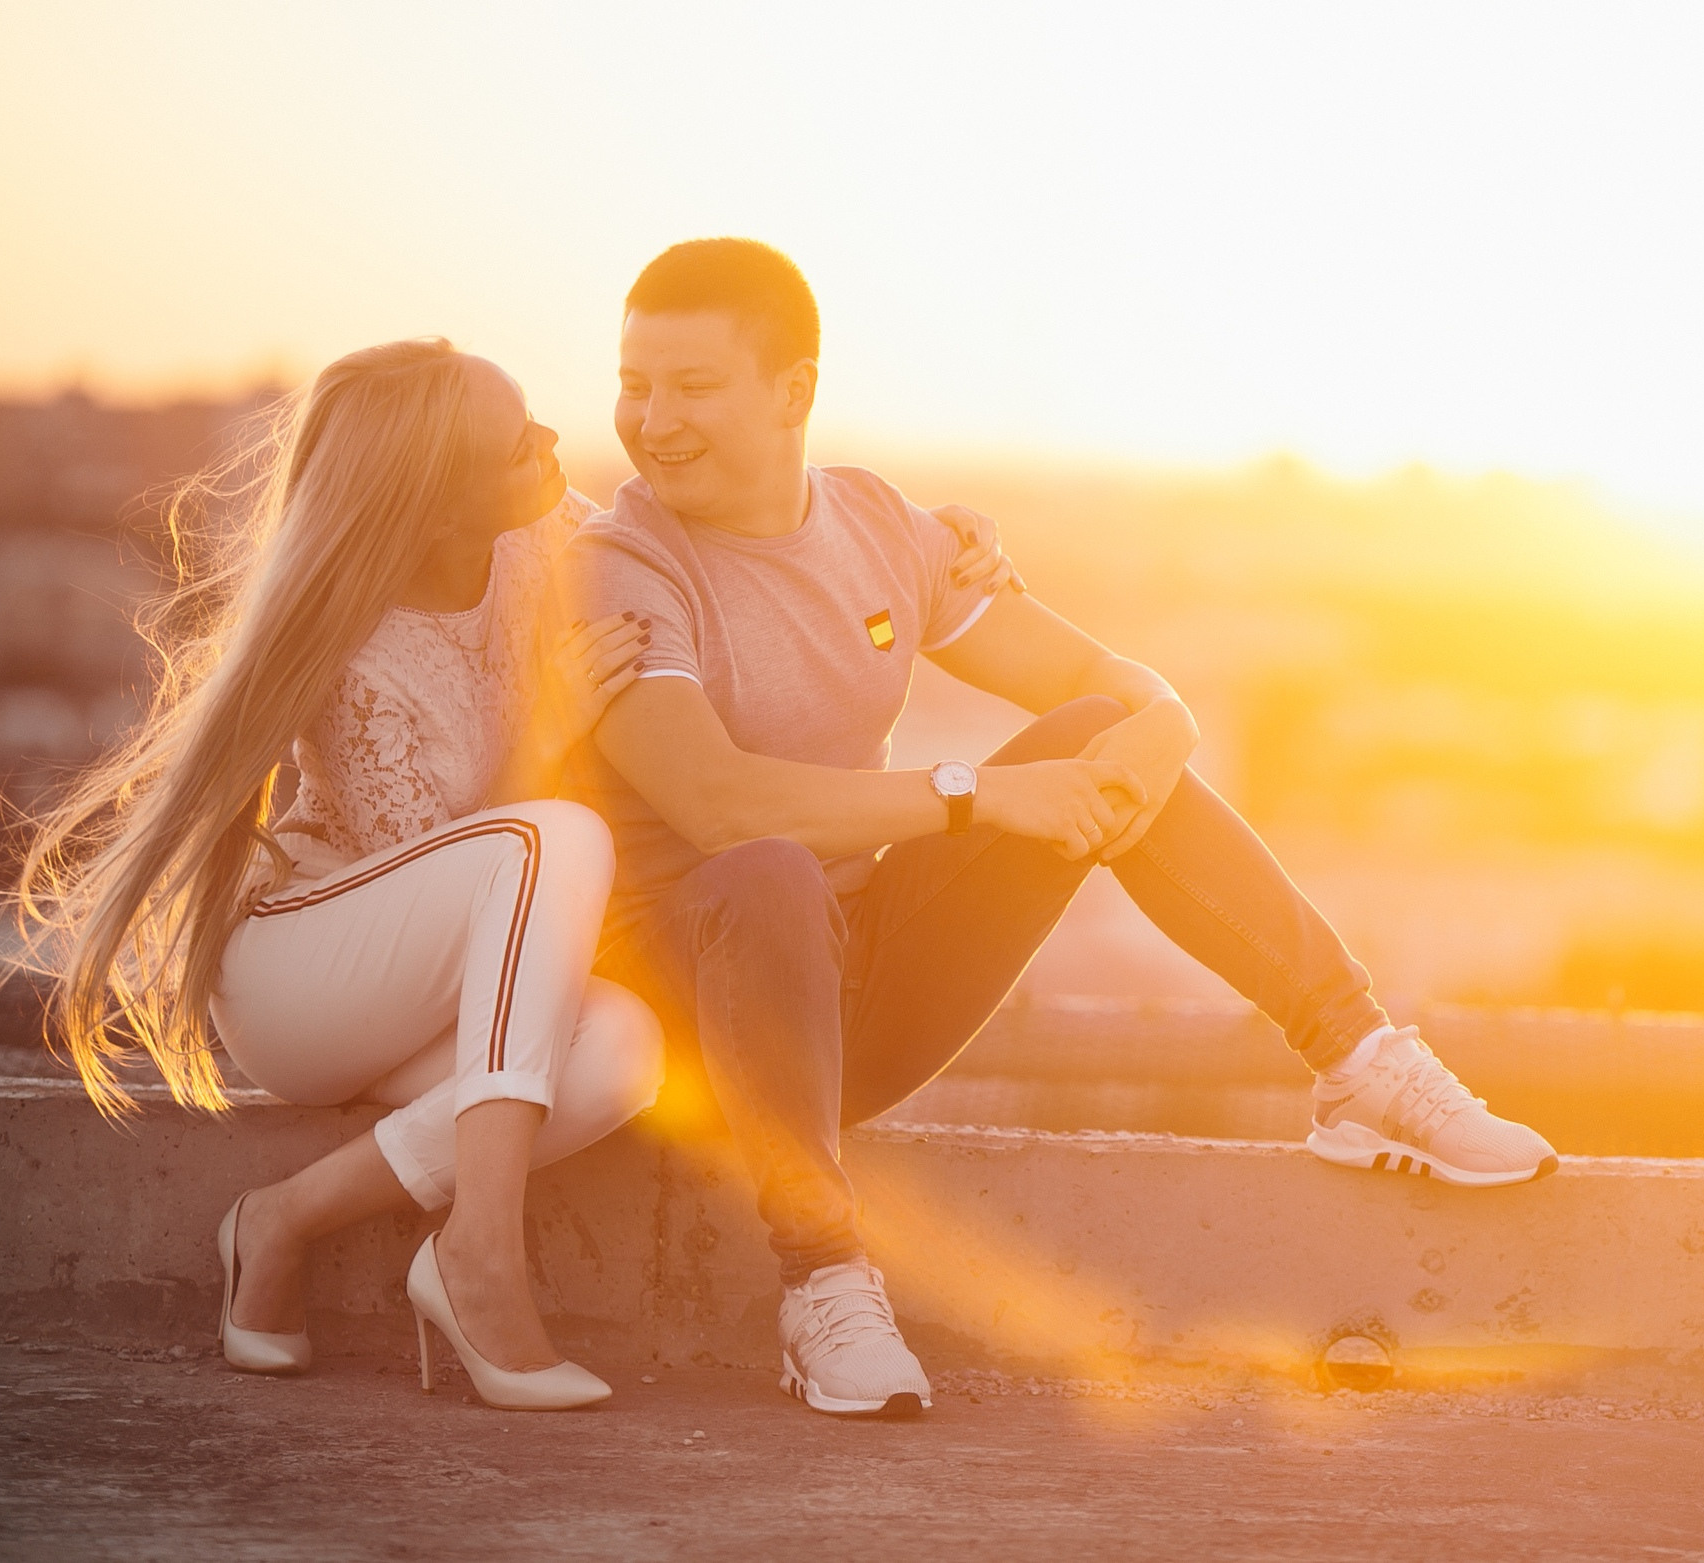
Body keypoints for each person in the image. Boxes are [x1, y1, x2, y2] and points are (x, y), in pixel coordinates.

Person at [566, 238, 1558, 1420]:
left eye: (690, 385)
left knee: (1094, 733)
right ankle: (823, 1281)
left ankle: (1355, 1062)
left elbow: (1100, 677)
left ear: (794, 391)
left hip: (853, 1007)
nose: (650, 419)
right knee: (769, 870)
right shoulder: (620, 565)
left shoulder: (882, 525)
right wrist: (974, 794)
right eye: (633, 383)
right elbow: (717, 805)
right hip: (699, 1021)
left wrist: (1165, 715)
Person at [16, 338, 669, 1411]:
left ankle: (284, 1217)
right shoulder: (357, 653)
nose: (552, 444)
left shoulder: (537, 531)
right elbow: (457, 857)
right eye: (518, 443)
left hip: (442, 994)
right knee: (552, 836)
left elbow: (676, 545)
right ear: (437, 500)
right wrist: (552, 731)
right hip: (308, 973)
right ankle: (482, 1257)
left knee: (623, 1052)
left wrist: (927, 546)